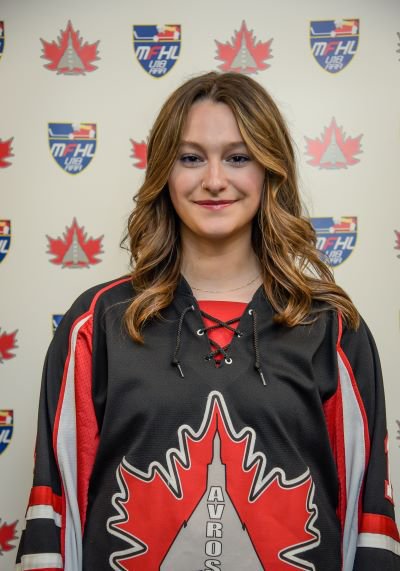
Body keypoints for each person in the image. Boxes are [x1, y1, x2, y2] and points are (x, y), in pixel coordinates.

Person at [16, 72, 399, 571]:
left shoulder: (332, 328)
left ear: (269, 170)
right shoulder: (98, 323)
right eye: (191, 158)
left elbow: (368, 519)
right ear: (164, 172)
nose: (214, 180)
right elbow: (56, 509)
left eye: (238, 158)